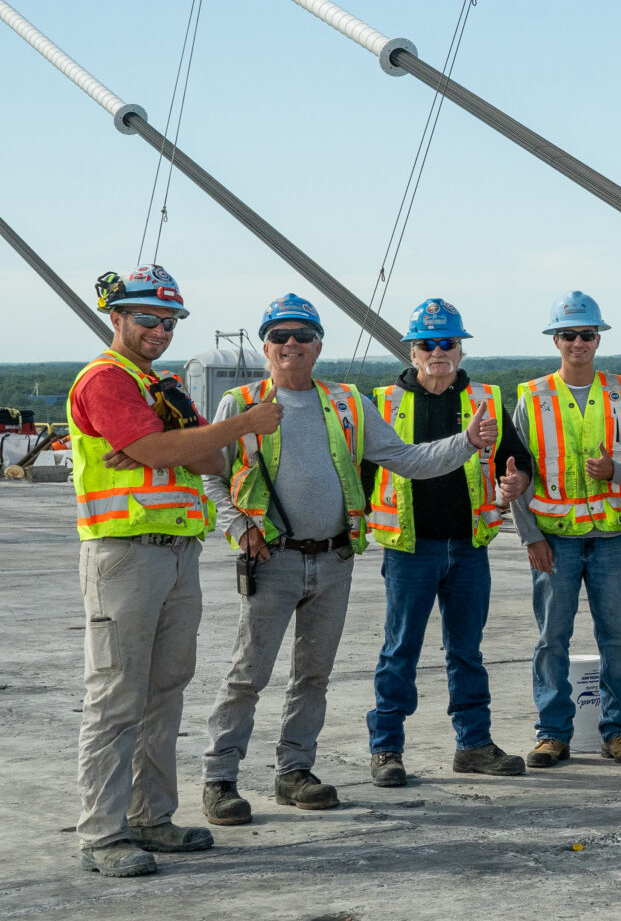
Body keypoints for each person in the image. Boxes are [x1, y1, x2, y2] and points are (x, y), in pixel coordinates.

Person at [203, 295, 492, 824]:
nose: (291, 345)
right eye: (280, 336)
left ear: (318, 345)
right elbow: (211, 472)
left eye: (302, 336)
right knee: (248, 674)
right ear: (265, 346)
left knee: (313, 675)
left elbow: (406, 459)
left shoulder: (347, 403)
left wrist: (466, 443)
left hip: (334, 559)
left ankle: (294, 770)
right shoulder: (241, 403)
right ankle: (220, 778)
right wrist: (238, 525)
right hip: (272, 559)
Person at [67, 266, 277, 877]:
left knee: (164, 693)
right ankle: (102, 834)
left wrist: (163, 440)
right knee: (116, 694)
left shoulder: (161, 387)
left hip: (179, 554)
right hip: (125, 553)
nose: (160, 330)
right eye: (147, 319)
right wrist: (236, 425)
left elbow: (207, 455)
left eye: (169, 322)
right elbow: (176, 450)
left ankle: (150, 818)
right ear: (118, 319)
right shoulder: (106, 380)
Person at [363, 298, 536, 788]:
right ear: (412, 352)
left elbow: (516, 460)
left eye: (448, 343)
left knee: (467, 651)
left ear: (460, 350)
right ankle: (387, 749)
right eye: (427, 344)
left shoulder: (484, 399)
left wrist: (517, 481)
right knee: (400, 650)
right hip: (409, 548)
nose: (438, 352)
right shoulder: (384, 403)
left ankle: (474, 744)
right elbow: (362, 471)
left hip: (467, 546)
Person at [511, 291, 621, 769]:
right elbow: (514, 476)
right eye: (569, 334)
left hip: (611, 536)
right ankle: (552, 733)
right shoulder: (532, 398)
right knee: (553, 638)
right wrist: (530, 535)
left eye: (586, 335)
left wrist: (616, 470)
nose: (578, 342)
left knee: (617, 640)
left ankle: (619, 732)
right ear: (556, 339)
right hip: (555, 540)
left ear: (598, 339)